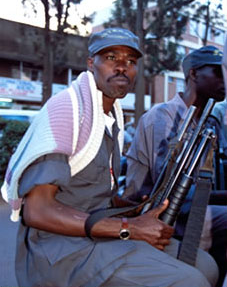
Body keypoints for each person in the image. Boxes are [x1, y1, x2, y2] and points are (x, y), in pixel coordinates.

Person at [1, 29, 218, 287]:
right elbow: (37, 211)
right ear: (92, 63)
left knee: (207, 266)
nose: (122, 67)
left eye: (130, 61)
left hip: (102, 234)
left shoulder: (110, 119)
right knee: (190, 281)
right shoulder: (67, 111)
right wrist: (130, 227)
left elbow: (93, 191)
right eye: (111, 57)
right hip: (59, 250)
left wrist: (132, 207)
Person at [124, 45, 227, 287]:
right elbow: (173, 191)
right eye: (218, 72)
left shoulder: (207, 120)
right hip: (158, 217)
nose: (225, 79)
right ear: (193, 74)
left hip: (189, 211)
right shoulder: (165, 117)